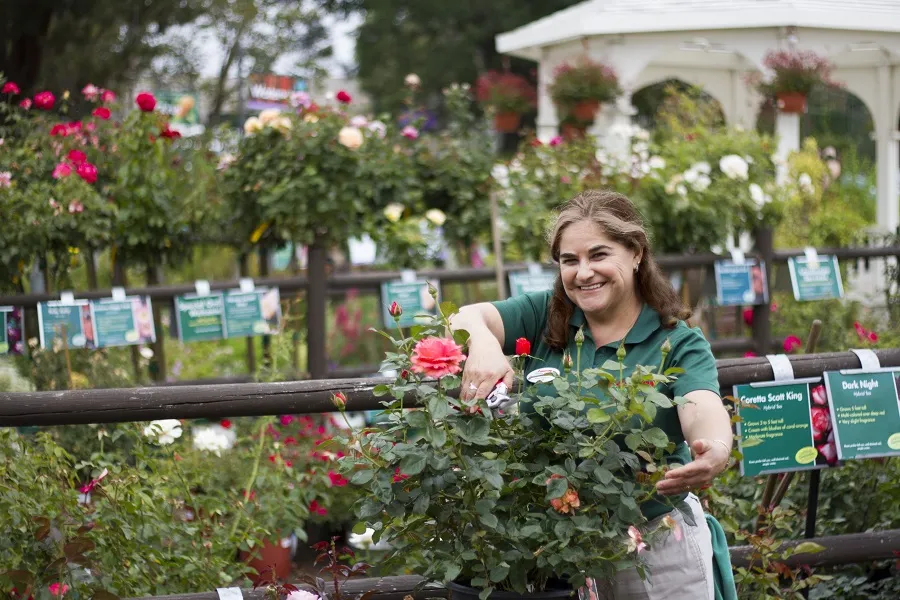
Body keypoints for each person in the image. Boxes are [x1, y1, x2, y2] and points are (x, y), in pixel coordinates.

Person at [451, 190, 734, 600]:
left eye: (599, 255)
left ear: (636, 252)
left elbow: (701, 405)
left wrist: (716, 448)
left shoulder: (676, 343)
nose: (583, 273)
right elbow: (464, 317)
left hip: (656, 549)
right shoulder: (547, 315)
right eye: (570, 260)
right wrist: (483, 345)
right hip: (558, 552)